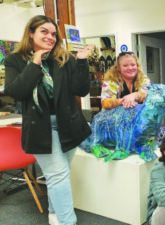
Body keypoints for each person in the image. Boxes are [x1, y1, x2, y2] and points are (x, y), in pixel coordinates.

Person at [4, 15, 93, 225]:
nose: (50, 37)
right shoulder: (15, 60)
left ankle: (54, 214)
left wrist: (81, 61)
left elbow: (81, 89)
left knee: (59, 176)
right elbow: (16, 91)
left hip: (69, 125)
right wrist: (34, 64)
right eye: (44, 31)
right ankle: (67, 221)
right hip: (41, 128)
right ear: (31, 33)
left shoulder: (64, 58)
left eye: (53, 34)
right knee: (58, 175)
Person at [80, 52, 165, 161]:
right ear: (118, 68)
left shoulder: (143, 79)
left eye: (133, 65)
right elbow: (105, 103)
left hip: (138, 121)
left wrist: (134, 95)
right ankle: (108, 146)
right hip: (114, 121)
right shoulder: (111, 81)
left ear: (137, 66)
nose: (130, 68)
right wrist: (122, 101)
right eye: (125, 65)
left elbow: (146, 93)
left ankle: (142, 147)